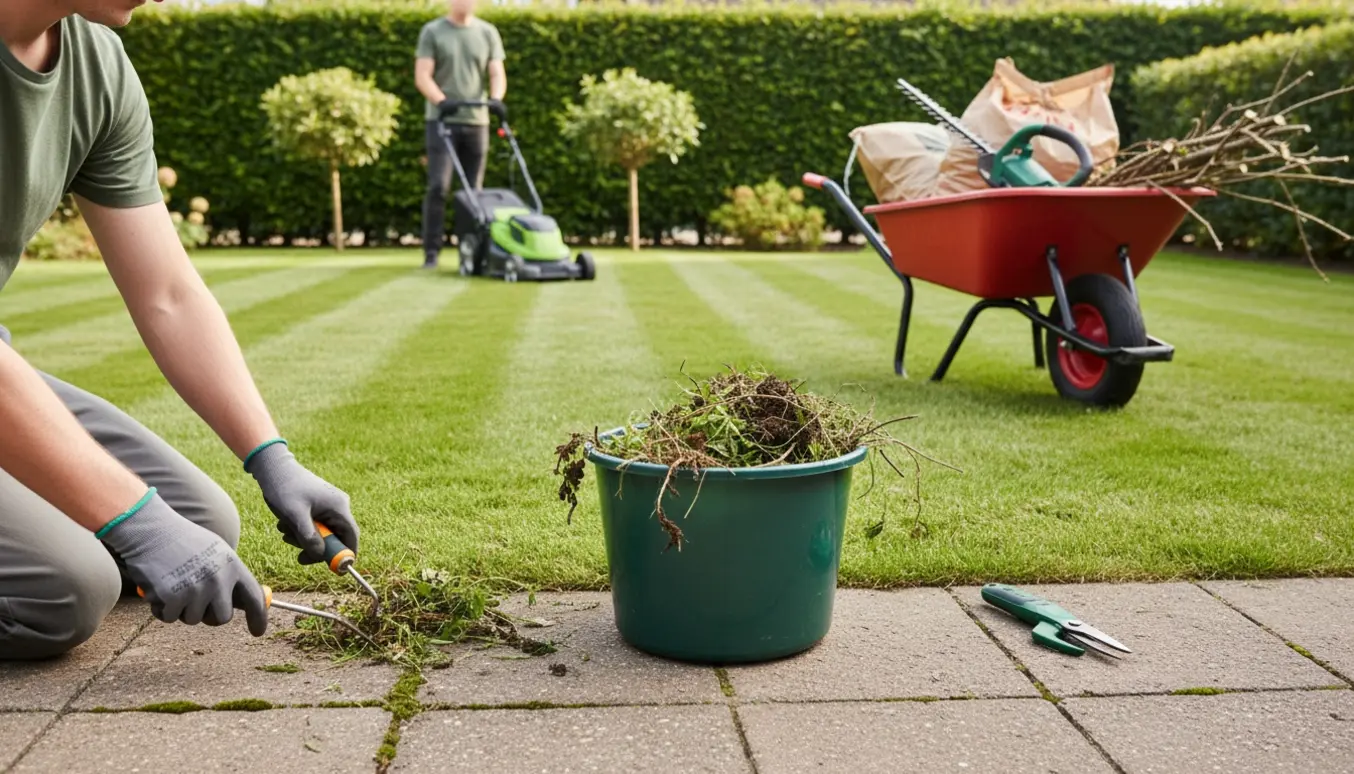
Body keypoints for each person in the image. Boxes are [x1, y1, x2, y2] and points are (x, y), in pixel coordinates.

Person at [0, 0, 360, 660]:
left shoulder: (96, 65)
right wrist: (133, 519)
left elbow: (167, 293)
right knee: (63, 589)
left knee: (201, 523)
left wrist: (270, 457)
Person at [414, 0, 507, 269]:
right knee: (438, 187)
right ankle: (431, 253)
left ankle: (473, 253)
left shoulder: (487, 33)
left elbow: (496, 72)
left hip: (477, 121)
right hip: (441, 121)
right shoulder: (432, 32)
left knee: (473, 192)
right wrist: (441, 101)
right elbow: (423, 76)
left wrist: (496, 99)